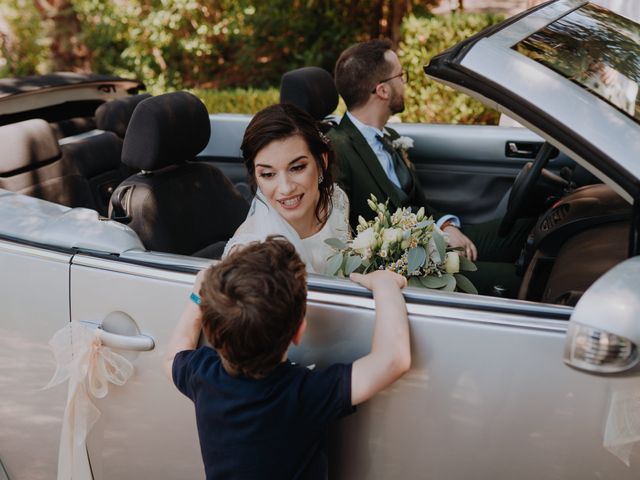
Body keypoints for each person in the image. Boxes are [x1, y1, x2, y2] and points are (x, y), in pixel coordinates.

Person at [164, 236, 410, 479]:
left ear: (210, 330)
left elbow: (172, 356)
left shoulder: (203, 375)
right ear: (299, 332)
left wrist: (198, 298)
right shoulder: (302, 393)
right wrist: (384, 285)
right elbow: (393, 359)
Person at [330, 39, 533, 294]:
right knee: (525, 280)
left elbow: (416, 204)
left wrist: (445, 226)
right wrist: (433, 239)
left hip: (434, 235)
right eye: (401, 76)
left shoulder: (389, 135)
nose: (404, 84)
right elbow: (350, 231)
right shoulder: (338, 149)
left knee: (529, 230)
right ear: (382, 91)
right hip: (406, 262)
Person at [223, 103, 350, 274]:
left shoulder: (337, 200)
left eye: (297, 167)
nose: (286, 188)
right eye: (268, 174)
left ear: (322, 162)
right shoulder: (249, 252)